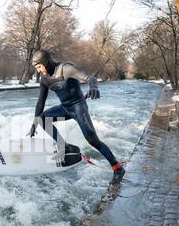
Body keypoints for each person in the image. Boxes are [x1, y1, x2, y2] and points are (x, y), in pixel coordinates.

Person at [27, 49, 125, 185]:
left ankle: (117, 168)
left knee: (92, 139)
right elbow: (40, 102)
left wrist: (94, 87)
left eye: (39, 67)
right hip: (65, 108)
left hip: (79, 107)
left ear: (46, 63)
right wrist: (34, 124)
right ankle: (64, 146)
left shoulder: (66, 69)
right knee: (41, 119)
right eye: (36, 68)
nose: (38, 70)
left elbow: (90, 78)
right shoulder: (44, 79)